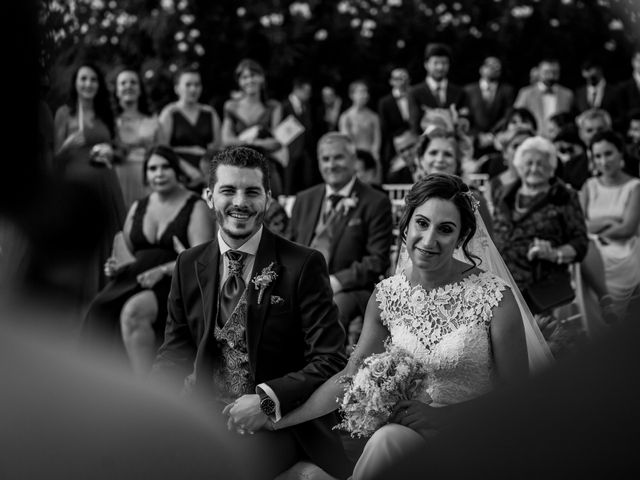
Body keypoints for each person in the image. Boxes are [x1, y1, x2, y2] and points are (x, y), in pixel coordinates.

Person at [272, 174, 551, 479]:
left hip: (478, 433)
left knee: (387, 443)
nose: (429, 240)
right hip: (410, 437)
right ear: (405, 225)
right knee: (387, 440)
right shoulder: (387, 296)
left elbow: (520, 396)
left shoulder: (495, 297)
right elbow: (350, 376)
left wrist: (444, 418)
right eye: (422, 223)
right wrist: (278, 419)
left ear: (461, 238)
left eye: (445, 229)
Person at [151, 146, 351, 480]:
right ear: (209, 196)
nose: (240, 202)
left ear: (268, 198)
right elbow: (175, 350)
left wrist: (266, 400)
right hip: (205, 418)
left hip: (279, 425)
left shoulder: (302, 264)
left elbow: (330, 359)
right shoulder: (189, 263)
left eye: (252, 192)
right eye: (228, 190)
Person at [81, 145, 214, 376]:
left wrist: (162, 271)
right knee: (97, 308)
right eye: (152, 168)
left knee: (133, 312)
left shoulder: (196, 206)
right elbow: (125, 252)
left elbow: (201, 259)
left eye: (165, 167)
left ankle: (145, 384)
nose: (159, 174)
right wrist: (114, 266)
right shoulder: (138, 206)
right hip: (133, 277)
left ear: (177, 171)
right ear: (145, 174)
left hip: (175, 280)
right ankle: (99, 380)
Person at [290, 133, 393, 346]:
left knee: (332, 308)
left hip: (350, 289)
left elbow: (376, 260)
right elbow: (290, 247)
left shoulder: (376, 201)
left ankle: (326, 369)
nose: (331, 165)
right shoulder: (304, 199)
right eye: (325, 159)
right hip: (302, 285)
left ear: (354, 161)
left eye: (338, 157)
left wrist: (334, 282)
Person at [493, 136, 589, 341]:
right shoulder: (506, 194)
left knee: (540, 346)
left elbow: (580, 243)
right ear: (519, 166)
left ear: (552, 168)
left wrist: (554, 253)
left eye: (541, 163)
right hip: (502, 283)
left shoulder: (564, 196)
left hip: (541, 287)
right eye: (529, 163)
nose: (534, 168)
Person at [53, 61, 127, 307]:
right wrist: (68, 145)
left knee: (109, 239)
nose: (88, 84)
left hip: (106, 184)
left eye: (93, 79)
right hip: (77, 187)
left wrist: (110, 151)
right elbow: (54, 157)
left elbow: (120, 152)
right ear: (75, 83)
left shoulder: (106, 113)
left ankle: (107, 292)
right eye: (83, 79)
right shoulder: (65, 113)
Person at [580, 130, 640, 319]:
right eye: (598, 156)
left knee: (584, 249)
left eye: (608, 154)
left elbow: (627, 229)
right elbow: (579, 226)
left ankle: (607, 304)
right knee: (582, 251)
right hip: (591, 246)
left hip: (623, 250)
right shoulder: (589, 186)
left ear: (621, 153)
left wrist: (595, 229)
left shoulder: (635, 187)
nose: (603, 161)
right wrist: (607, 221)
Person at [221, 58, 284, 197]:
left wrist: (246, 141)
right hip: (238, 167)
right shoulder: (231, 106)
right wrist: (257, 143)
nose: (250, 80)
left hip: (265, 167)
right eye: (245, 77)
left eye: (254, 75)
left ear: (262, 78)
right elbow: (226, 140)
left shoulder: (273, 107)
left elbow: (277, 142)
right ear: (239, 82)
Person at [414, 132, 493, 236]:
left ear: (458, 163)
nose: (440, 159)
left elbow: (487, 248)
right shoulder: (414, 198)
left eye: (448, 154)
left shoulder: (474, 201)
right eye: (433, 153)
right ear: (421, 159)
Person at [158, 66, 222, 192]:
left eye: (197, 85)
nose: (193, 89)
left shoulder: (210, 113)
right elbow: (163, 149)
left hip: (207, 174)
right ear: (177, 88)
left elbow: (217, 148)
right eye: (188, 85)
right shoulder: (170, 113)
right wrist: (188, 170)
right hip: (179, 174)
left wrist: (207, 174)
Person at [113, 67, 163, 207]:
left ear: (140, 89)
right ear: (117, 91)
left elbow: (164, 154)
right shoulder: (110, 123)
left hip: (148, 180)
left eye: (133, 82)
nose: (128, 86)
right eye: (123, 83)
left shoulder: (153, 122)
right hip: (118, 180)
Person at [408, 43, 468, 135]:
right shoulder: (415, 92)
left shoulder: (459, 92)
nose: (440, 67)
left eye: (444, 63)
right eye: (435, 63)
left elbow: (465, 120)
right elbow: (414, 125)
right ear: (426, 64)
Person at [464, 56, 515, 156]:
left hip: (498, 141)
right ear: (481, 69)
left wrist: (493, 135)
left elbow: (508, 115)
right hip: (473, 142)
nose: (495, 69)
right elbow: (465, 117)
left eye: (497, 67)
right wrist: (477, 135)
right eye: (490, 66)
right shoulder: (468, 90)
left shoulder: (507, 90)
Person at [514, 58, 574, 138]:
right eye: (547, 72)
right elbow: (516, 117)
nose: (551, 76)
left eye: (555, 72)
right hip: (533, 138)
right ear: (538, 72)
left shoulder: (567, 94)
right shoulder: (526, 93)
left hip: (559, 139)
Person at [280, 76, 318, 194]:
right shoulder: (284, 106)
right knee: (288, 182)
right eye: (306, 91)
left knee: (306, 179)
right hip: (288, 150)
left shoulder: (306, 106)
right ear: (297, 89)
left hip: (304, 150)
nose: (309, 95)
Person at [339, 80, 381, 176]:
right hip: (354, 160)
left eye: (366, 92)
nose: (365, 95)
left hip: (372, 158)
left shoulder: (373, 116)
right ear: (352, 95)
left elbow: (377, 140)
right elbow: (347, 142)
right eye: (361, 92)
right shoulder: (346, 117)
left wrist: (373, 157)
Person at [378, 68, 412, 179]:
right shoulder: (385, 102)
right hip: (394, 148)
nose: (402, 82)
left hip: (414, 145)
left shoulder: (414, 97)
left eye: (404, 79)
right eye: (398, 79)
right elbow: (384, 129)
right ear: (391, 81)